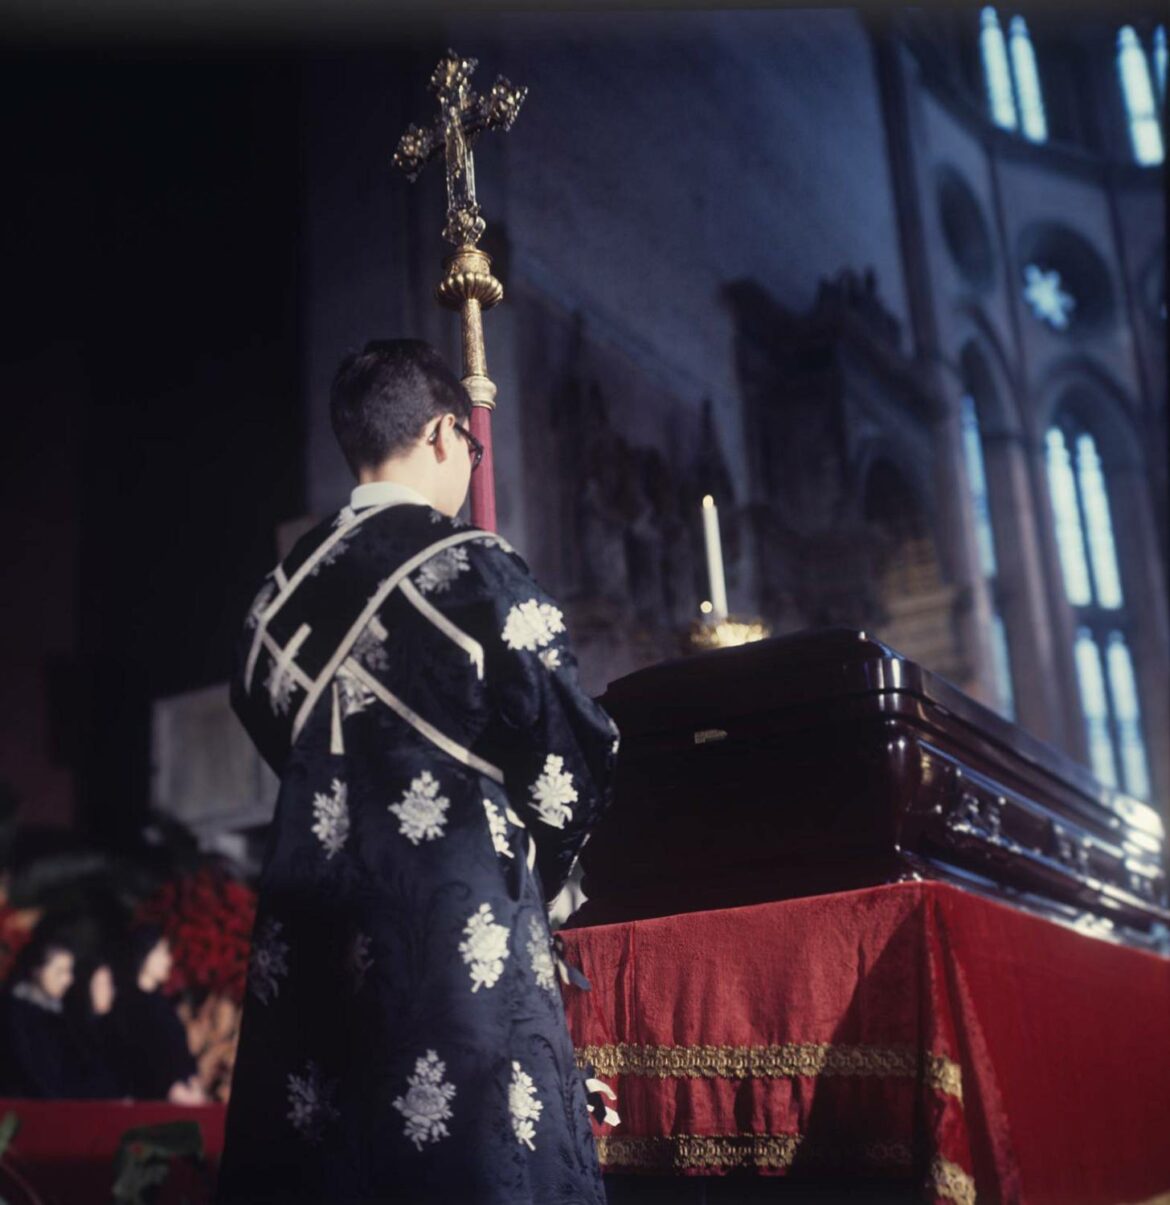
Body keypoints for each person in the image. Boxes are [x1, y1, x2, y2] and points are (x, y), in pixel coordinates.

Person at [217, 340, 619, 1204]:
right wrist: (547, 865)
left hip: (314, 956)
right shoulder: (478, 568)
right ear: (445, 433)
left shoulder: (269, 605)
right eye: (470, 450)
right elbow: (570, 757)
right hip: (454, 958)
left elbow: (277, 743)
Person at [111, 926, 205, 1104]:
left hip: (183, 1097)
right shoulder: (128, 1006)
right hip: (153, 1104)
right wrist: (175, 1091)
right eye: (162, 953)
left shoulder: (163, 1004)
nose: (168, 960)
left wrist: (192, 1084)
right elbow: (143, 1060)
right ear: (145, 955)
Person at [0, 925, 80, 1096]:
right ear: (37, 970)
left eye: (69, 971)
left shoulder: (60, 1015)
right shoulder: (13, 1015)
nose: (68, 980)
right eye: (60, 971)